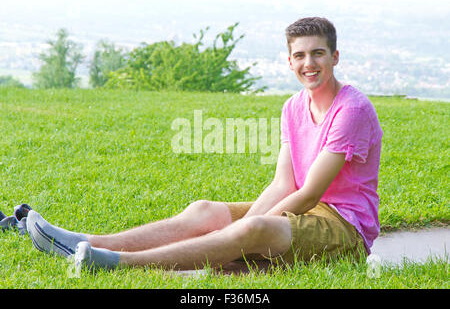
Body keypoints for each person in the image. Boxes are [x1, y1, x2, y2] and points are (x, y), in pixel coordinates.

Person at [26, 17, 383, 271]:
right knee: (204, 211)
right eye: (300, 56)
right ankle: (86, 241)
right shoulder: (292, 106)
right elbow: (283, 185)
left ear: (335, 58)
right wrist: (233, 235)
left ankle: (116, 263)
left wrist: (239, 236)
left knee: (252, 229)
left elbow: (308, 195)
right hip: (304, 214)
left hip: (343, 228)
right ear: (290, 61)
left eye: (318, 53)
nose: (310, 63)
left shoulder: (351, 109)